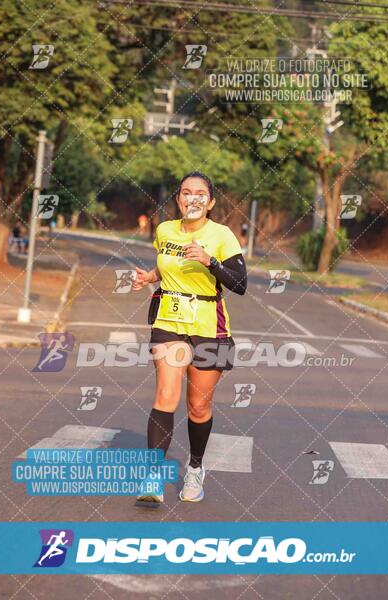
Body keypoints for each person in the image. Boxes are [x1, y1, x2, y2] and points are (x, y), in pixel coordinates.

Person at [132, 171, 247, 505]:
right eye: (186, 192)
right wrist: (149, 276)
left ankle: (195, 467)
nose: (192, 198)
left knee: (198, 406)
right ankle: (153, 475)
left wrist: (210, 261)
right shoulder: (165, 230)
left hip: (209, 326)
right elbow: (167, 268)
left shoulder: (222, 235)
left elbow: (240, 284)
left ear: (209, 202)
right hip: (169, 320)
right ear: (179, 198)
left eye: (200, 193)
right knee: (165, 395)